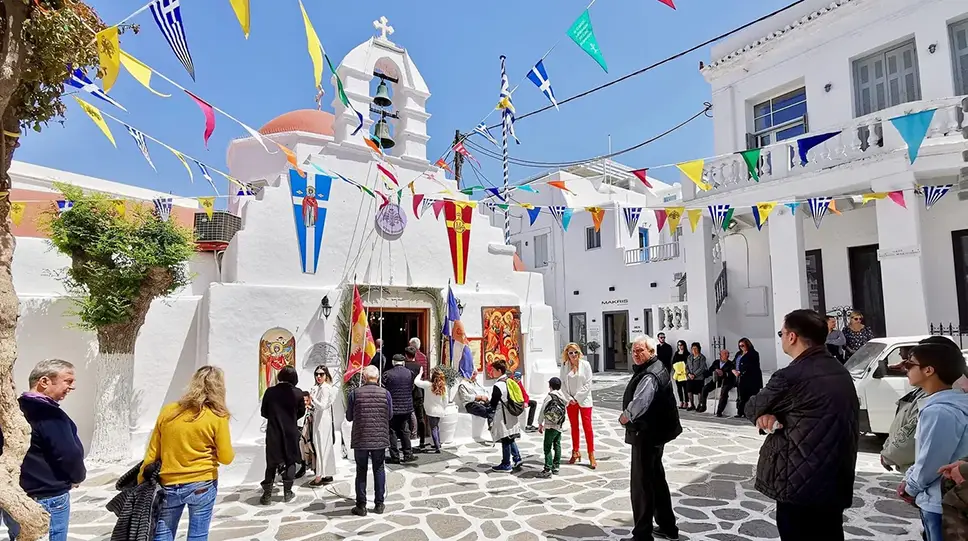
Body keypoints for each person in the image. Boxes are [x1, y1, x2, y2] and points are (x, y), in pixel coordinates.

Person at [745, 309, 858, 541]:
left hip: (800, 481)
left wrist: (768, 413)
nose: (782, 338)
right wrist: (773, 416)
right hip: (834, 478)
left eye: (781, 333)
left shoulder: (791, 376)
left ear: (792, 337)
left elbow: (752, 407)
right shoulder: (839, 370)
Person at [139, 366, 234, 541]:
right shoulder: (217, 416)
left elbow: (153, 451)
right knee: (198, 535)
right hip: (202, 483)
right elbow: (226, 458)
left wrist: (142, 479)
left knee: (163, 534)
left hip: (169, 483)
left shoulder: (169, 411)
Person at [0, 360, 85, 541]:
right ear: (44, 381)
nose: (72, 387)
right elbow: (69, 454)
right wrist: (77, 477)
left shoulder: (11, 411)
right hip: (47, 497)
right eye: (68, 381)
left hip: (16, 498)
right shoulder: (49, 414)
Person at [896, 339, 968, 541]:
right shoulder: (954, 402)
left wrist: (910, 487)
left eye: (910, 364)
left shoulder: (939, 412)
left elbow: (931, 461)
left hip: (939, 501)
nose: (906, 369)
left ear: (929, 370)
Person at [619, 336, 682, 541]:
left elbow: (640, 403)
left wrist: (625, 416)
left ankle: (642, 534)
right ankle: (667, 527)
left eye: (640, 351)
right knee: (656, 480)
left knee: (642, 485)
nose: (636, 355)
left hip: (646, 434)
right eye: (634, 351)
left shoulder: (650, 375)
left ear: (651, 352)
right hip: (657, 433)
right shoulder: (657, 367)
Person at [346, 365, 392, 517]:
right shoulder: (385, 393)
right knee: (378, 468)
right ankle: (379, 504)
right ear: (377, 378)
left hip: (361, 437)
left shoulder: (355, 393)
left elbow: (349, 417)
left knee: (361, 470)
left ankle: (361, 505)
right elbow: (390, 414)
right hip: (379, 437)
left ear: (364, 378)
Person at [260, 366, 305, 504]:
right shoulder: (298, 393)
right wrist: (291, 418)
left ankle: (267, 495)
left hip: (274, 431)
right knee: (290, 460)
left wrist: (275, 417)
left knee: (271, 462)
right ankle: (287, 492)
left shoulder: (270, 392)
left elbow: (264, 412)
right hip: (290, 431)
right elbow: (301, 412)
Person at [560, 342, 596, 469]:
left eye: (576, 352)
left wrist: (577, 397)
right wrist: (569, 398)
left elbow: (588, 383)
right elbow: (562, 384)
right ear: (567, 354)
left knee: (587, 427)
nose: (574, 355)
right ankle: (575, 451)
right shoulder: (565, 366)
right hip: (571, 401)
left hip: (584, 400)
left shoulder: (585, 365)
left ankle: (591, 454)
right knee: (574, 426)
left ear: (579, 353)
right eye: (571, 352)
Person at [489, 360, 523, 472]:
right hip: (512, 412)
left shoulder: (498, 385)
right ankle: (517, 458)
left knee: (505, 439)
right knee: (510, 436)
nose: (492, 372)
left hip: (503, 414)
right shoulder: (509, 381)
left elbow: (493, 403)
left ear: (499, 371)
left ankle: (506, 463)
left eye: (493, 370)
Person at [383, 354, 417, 464]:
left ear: (393, 362)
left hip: (392, 408)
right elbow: (412, 387)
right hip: (406, 407)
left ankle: (395, 457)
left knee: (392, 432)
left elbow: (384, 389)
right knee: (405, 431)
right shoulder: (410, 373)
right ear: (403, 362)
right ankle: (408, 454)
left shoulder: (387, 374)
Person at [308, 366, 337, 486]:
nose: (318, 377)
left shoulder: (325, 388)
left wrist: (312, 398)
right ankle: (327, 473)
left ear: (326, 375)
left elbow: (323, 405)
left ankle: (319, 476)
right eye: (316, 374)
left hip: (322, 422)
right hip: (320, 420)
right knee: (323, 447)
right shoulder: (320, 387)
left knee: (321, 447)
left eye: (321, 374)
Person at [537, 377, 568, 479]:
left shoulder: (550, 397)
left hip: (550, 425)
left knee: (547, 447)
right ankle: (556, 466)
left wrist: (540, 423)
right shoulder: (562, 396)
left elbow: (543, 410)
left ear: (550, 385)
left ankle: (547, 467)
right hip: (559, 425)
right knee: (557, 445)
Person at [413, 367, 450, 453]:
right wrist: (444, 408)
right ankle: (438, 443)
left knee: (433, 428)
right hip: (440, 410)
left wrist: (420, 374)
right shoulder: (444, 387)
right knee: (436, 427)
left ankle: (437, 447)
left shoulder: (428, 385)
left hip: (431, 410)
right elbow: (446, 400)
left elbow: (416, 382)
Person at [404, 346, 429, 452]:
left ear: (406, 355)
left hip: (407, 393)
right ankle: (422, 440)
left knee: (406, 417)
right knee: (420, 418)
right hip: (418, 393)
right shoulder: (419, 366)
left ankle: (408, 440)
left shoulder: (405, 366)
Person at [734, 338, 762, 419]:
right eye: (740, 346)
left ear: (747, 345)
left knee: (750, 396)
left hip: (751, 378)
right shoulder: (738, 354)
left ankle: (749, 413)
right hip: (741, 378)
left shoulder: (753, 354)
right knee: (741, 396)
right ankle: (740, 412)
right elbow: (734, 363)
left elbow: (751, 366)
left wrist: (741, 371)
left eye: (743, 345)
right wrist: (734, 370)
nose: (741, 347)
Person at [702, 349, 735, 417]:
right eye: (725, 354)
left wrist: (723, 373)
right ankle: (703, 405)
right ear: (720, 355)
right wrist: (715, 371)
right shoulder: (716, 362)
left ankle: (719, 411)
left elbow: (731, 374)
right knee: (705, 388)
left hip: (727, 381)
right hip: (717, 380)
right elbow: (710, 370)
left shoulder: (731, 363)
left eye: (727, 354)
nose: (727, 355)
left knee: (724, 392)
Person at [685, 342, 707, 412]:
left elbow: (702, 368)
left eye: (695, 348)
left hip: (698, 378)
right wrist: (688, 374)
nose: (694, 350)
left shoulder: (702, 357)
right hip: (689, 377)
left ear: (699, 349)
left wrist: (694, 375)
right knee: (689, 391)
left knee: (699, 391)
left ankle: (699, 405)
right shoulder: (689, 357)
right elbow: (686, 366)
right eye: (692, 348)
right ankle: (692, 405)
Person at [671, 341, 689, 409]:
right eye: (678, 345)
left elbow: (688, 363)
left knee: (685, 389)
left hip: (684, 374)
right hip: (678, 374)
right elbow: (673, 362)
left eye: (681, 345)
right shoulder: (676, 353)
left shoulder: (687, 354)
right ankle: (681, 401)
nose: (680, 346)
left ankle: (686, 402)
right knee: (679, 389)